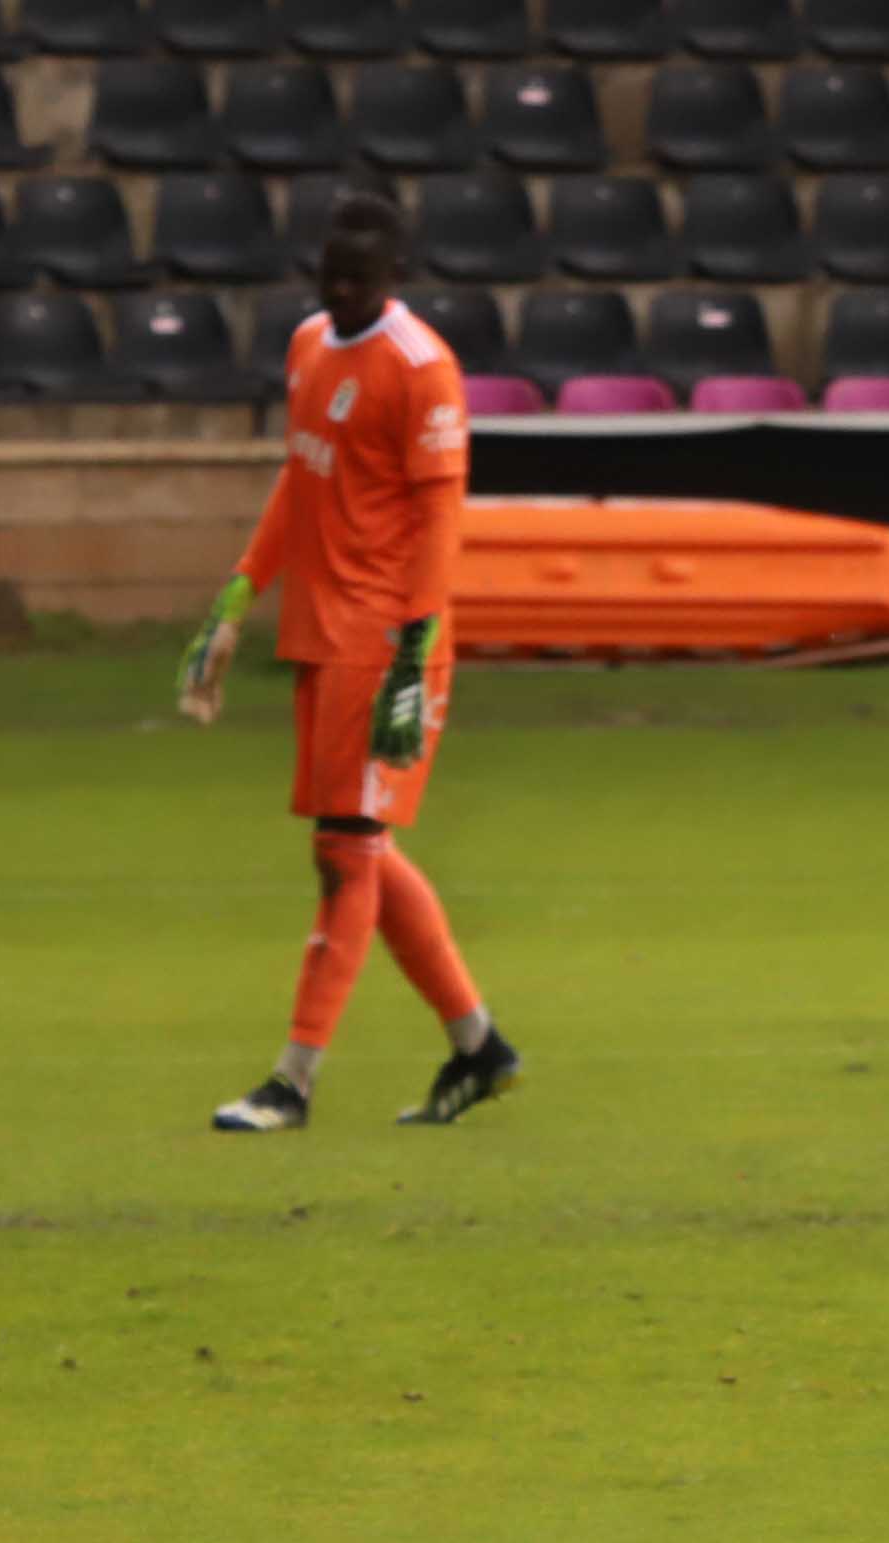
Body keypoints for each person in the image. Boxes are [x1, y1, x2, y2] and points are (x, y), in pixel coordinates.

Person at [189, 194, 515, 1133]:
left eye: (357, 282)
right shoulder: (308, 346)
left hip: (385, 647)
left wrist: (415, 648)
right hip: (321, 639)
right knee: (361, 848)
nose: (338, 294)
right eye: (327, 278)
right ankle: (479, 1047)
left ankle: (291, 1081)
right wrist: (240, 595)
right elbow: (302, 479)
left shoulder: (422, 369)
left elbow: (439, 523)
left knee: (345, 852)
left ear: (394, 279)